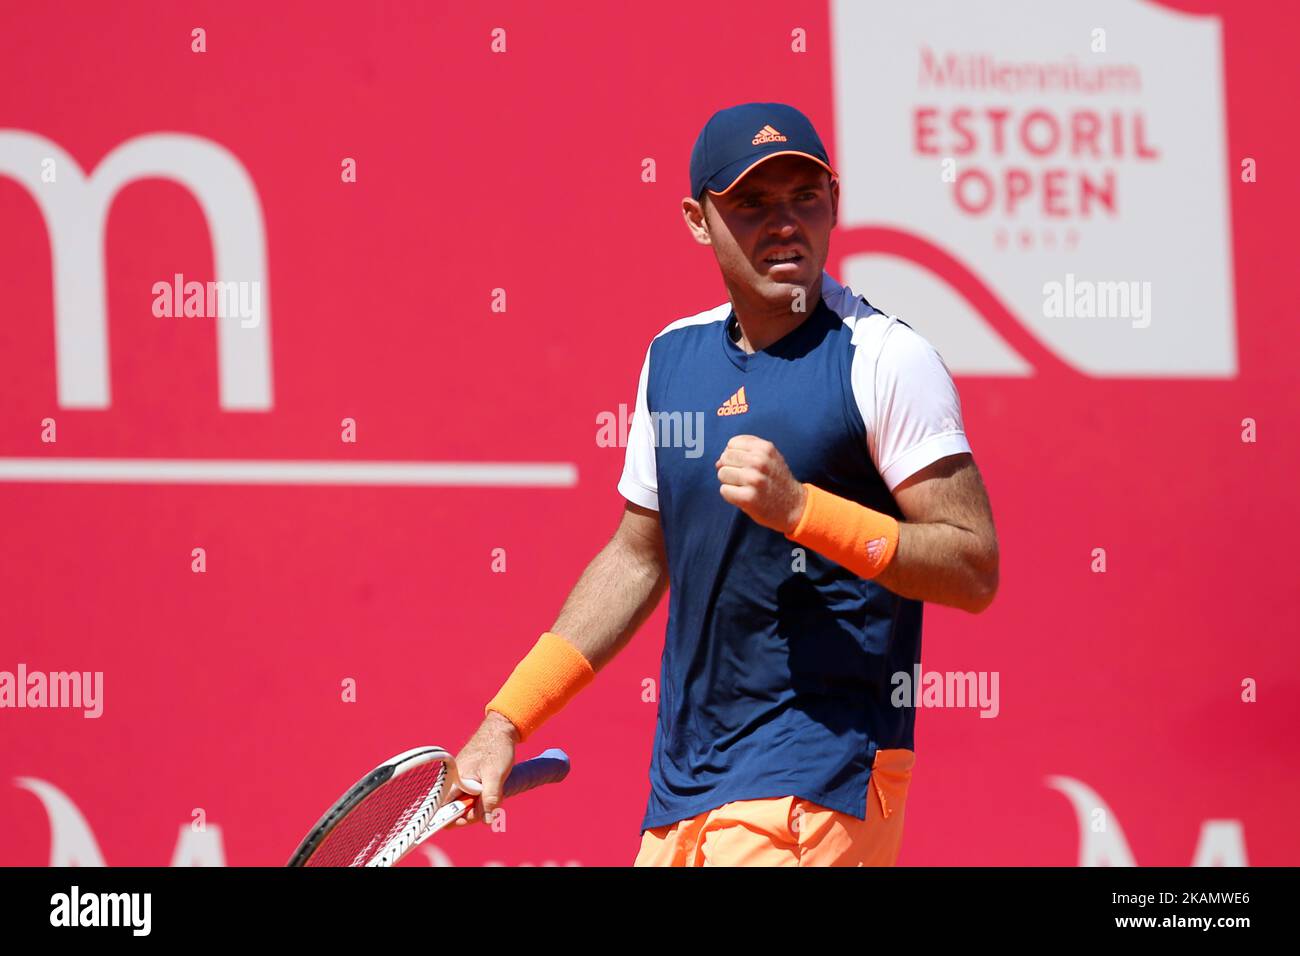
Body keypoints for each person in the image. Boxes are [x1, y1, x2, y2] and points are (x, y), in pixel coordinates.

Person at [448, 102, 999, 866]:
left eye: (805, 197)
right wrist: (506, 721)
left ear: (835, 202)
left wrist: (804, 510)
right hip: (684, 790)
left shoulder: (885, 359)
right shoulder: (672, 359)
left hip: (820, 778)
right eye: (751, 203)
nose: (785, 223)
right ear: (698, 220)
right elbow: (638, 557)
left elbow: (972, 566)